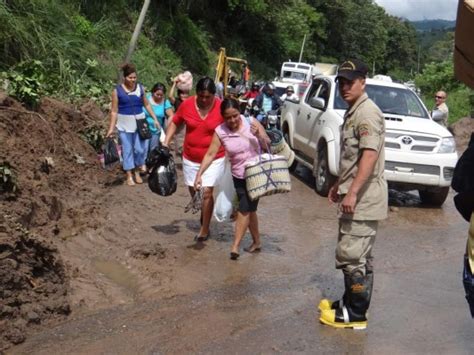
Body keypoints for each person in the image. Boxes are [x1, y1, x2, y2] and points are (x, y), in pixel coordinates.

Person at [318, 59, 388, 329]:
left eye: (350, 81)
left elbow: (369, 156)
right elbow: (353, 158)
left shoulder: (367, 113)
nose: (345, 86)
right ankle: (350, 303)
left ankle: (356, 315)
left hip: (364, 198)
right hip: (358, 195)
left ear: (363, 81)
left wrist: (353, 193)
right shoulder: (355, 110)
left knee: (352, 256)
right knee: (358, 253)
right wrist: (339, 184)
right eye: (342, 82)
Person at [194, 98, 270, 260]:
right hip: (238, 176)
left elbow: (268, 144)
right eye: (228, 117)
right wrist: (199, 174)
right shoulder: (220, 131)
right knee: (250, 210)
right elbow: (210, 154)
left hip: (256, 175)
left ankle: (235, 246)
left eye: (235, 116)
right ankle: (256, 242)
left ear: (239, 112)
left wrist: (259, 135)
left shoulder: (251, 122)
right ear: (223, 117)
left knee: (244, 208)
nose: (232, 120)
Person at [163, 77, 225, 241]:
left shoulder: (220, 106)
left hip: (214, 157)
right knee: (195, 190)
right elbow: (175, 122)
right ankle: (204, 214)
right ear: (196, 93)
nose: (204, 100)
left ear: (214, 95)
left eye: (208, 97)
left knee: (207, 192)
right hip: (191, 157)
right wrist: (165, 143)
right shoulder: (187, 104)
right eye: (201, 96)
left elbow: (235, 123)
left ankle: (204, 229)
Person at [106, 63, 161, 186]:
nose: (133, 80)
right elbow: (114, 111)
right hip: (124, 123)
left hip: (140, 123)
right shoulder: (117, 91)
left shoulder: (140, 88)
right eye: (130, 78)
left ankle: (137, 170)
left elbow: (147, 104)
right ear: (124, 78)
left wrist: (155, 118)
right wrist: (111, 128)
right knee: (127, 149)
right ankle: (129, 174)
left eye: (134, 78)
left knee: (140, 149)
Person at [143, 82, 173, 156]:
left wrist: (169, 128)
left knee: (153, 150)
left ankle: (151, 166)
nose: (159, 97)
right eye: (157, 94)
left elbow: (171, 115)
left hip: (155, 130)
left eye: (161, 95)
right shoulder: (146, 97)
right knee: (143, 150)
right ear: (153, 92)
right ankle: (142, 166)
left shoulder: (165, 102)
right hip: (144, 129)